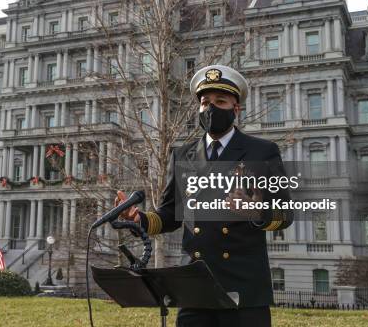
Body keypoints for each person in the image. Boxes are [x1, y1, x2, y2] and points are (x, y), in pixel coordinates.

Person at [115, 65, 293, 327]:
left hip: (242, 289)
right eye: (205, 102)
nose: (211, 108)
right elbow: (169, 214)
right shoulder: (183, 155)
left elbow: (285, 214)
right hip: (194, 287)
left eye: (220, 101)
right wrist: (139, 219)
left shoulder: (261, 151)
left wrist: (255, 212)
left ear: (236, 109)